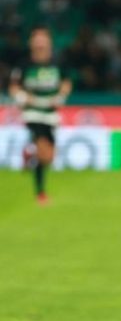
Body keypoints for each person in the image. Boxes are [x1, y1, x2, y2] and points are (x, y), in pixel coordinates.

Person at [8, 28, 72, 204]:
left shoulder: (58, 62)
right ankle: (40, 193)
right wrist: (23, 97)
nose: (40, 43)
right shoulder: (24, 64)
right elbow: (13, 87)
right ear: (31, 43)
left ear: (49, 43)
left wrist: (60, 97)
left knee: (48, 157)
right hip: (32, 112)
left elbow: (66, 83)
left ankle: (30, 155)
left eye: (43, 40)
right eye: (37, 40)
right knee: (42, 148)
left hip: (50, 113)